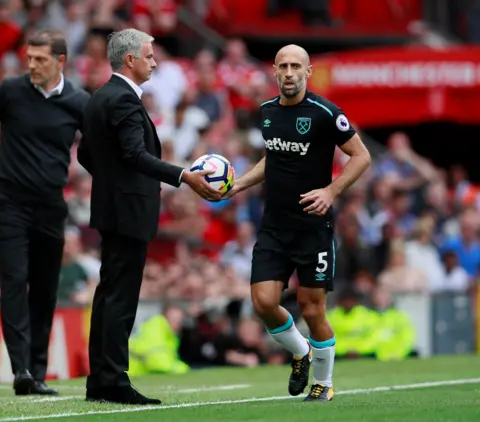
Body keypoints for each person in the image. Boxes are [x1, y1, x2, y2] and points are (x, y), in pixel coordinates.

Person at [77, 28, 220, 405]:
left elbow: (86, 157)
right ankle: (114, 381)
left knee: (108, 295)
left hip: (112, 208)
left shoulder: (99, 97)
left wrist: (111, 185)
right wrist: (182, 176)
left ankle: (101, 380)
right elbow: (134, 155)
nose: (154, 61)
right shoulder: (123, 100)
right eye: (149, 55)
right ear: (130, 60)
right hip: (129, 211)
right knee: (120, 298)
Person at [223, 44, 371, 402]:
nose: (289, 73)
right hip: (274, 226)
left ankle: (323, 382)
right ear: (274, 71)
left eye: (296, 67)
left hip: (313, 229)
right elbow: (272, 157)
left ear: (308, 71)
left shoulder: (325, 112)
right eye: (283, 66)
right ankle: (301, 351)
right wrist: (240, 183)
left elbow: (361, 155)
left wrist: (332, 191)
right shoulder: (267, 111)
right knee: (262, 301)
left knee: (311, 307)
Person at [0, 30, 90, 396]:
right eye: (29, 57)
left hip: (51, 206)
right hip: (10, 203)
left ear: (60, 62)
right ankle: (20, 370)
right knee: (15, 279)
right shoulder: (10, 91)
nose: (31, 64)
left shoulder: (80, 102)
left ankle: (37, 371)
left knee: (46, 290)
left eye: (40, 59)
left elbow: (96, 147)